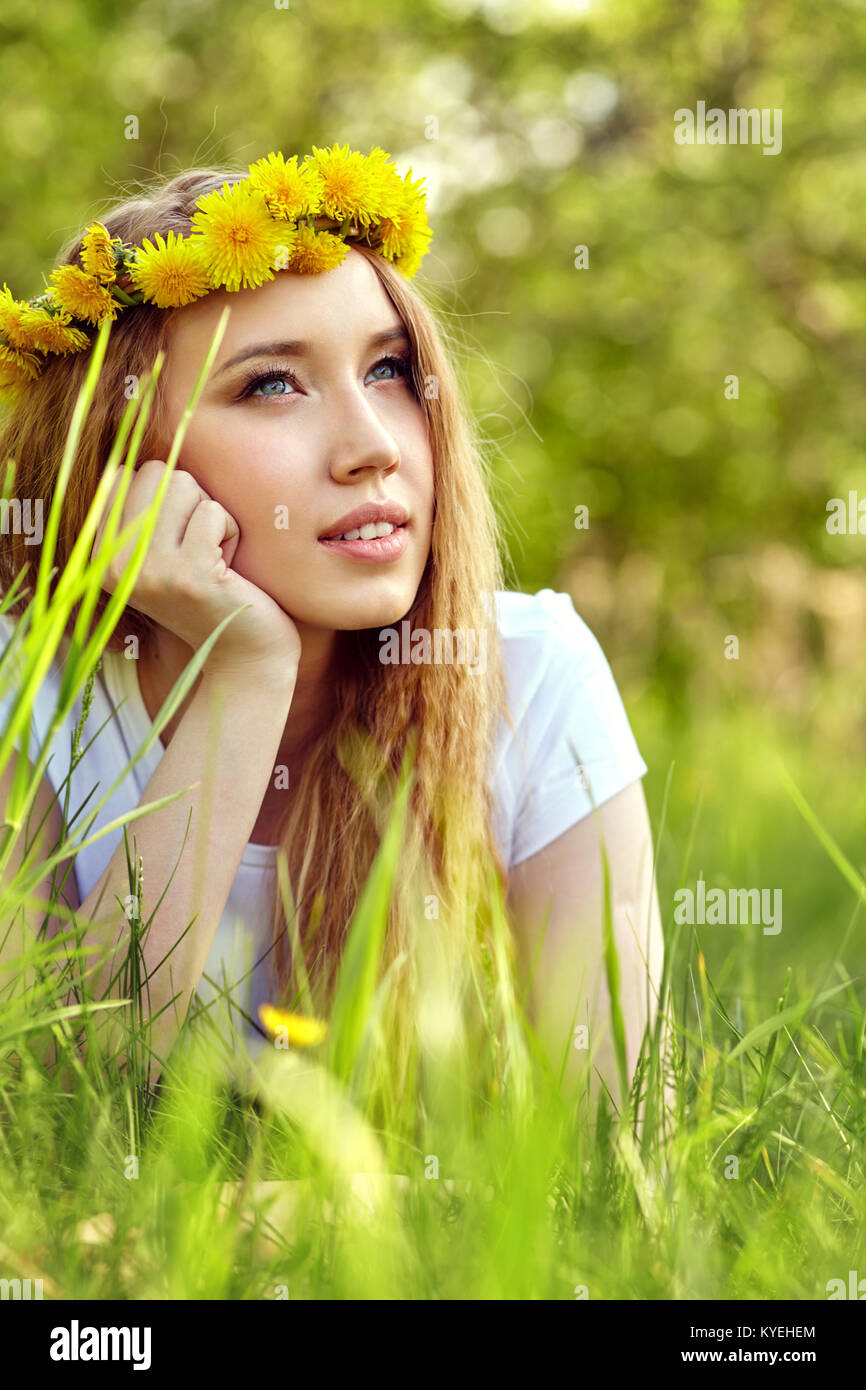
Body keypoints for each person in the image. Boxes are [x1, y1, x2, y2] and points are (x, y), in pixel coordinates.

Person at [0, 144, 663, 1112]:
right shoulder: (26, 695)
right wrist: (240, 678)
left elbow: (615, 1140)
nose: (373, 447)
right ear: (124, 463)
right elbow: (58, 1122)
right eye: (272, 385)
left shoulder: (531, 672)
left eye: (390, 370)